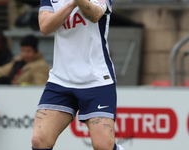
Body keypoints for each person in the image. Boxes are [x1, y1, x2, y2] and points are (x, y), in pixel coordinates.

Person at [31, 0, 125, 150]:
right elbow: (45, 27)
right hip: (60, 81)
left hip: (97, 80)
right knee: (39, 141)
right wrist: (71, 4)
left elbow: (95, 15)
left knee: (103, 146)